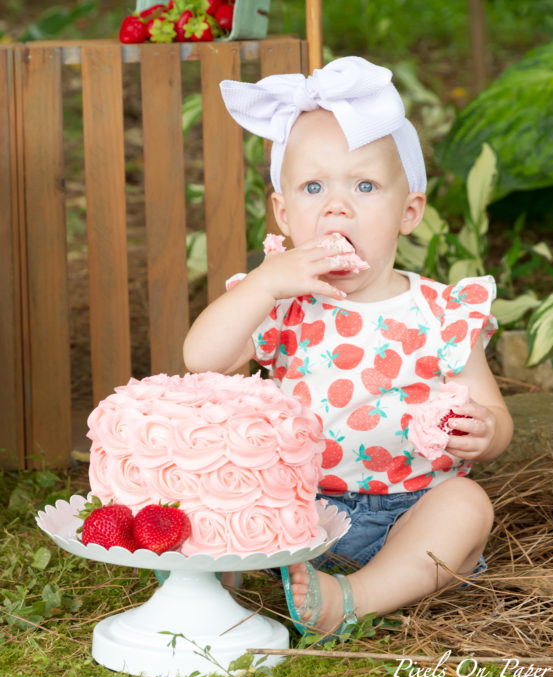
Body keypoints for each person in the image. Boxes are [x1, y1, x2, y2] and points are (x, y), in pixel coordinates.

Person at [183, 56, 513, 638]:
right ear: (284, 214)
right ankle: (239, 567)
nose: (337, 206)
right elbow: (201, 359)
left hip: (409, 510)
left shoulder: (442, 312)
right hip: (298, 506)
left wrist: (484, 430)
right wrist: (265, 280)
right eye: (314, 187)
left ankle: (353, 597)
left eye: (364, 186)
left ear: (408, 211)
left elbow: (494, 415)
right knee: (222, 472)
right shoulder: (281, 302)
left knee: (467, 508)